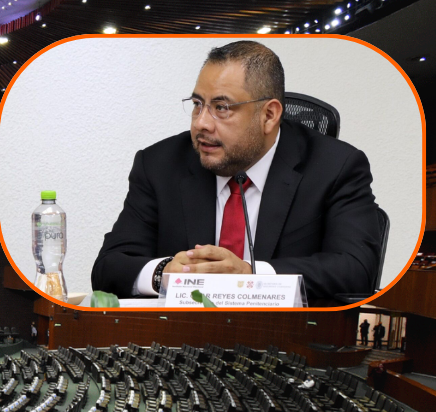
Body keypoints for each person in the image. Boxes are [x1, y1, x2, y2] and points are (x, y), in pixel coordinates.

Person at [91, 41, 381, 302]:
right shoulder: (160, 164)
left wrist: (249, 275)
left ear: (269, 115)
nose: (201, 123)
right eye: (197, 105)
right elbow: (108, 267)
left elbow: (356, 270)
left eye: (222, 108)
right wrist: (163, 272)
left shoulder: (335, 167)